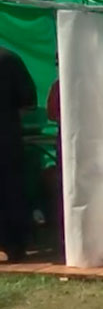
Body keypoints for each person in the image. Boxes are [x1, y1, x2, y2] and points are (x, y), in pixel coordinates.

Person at [1, 47, 37, 262]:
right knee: (12, 189)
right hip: (7, 136)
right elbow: (28, 101)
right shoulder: (9, 58)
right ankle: (16, 245)